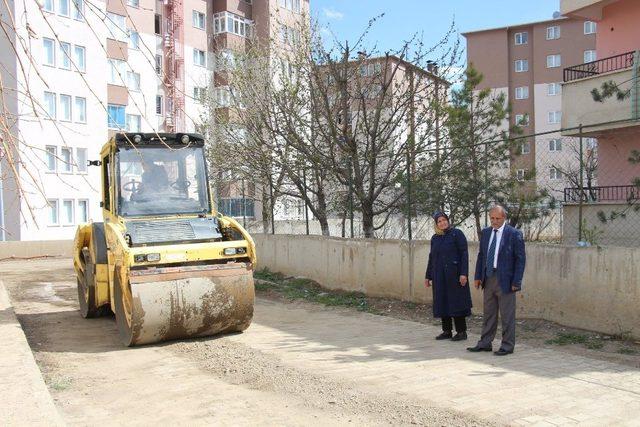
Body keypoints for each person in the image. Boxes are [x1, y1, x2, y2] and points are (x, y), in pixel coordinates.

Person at [467, 205, 526, 356]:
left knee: (507, 315)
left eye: (497, 218)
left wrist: (516, 282)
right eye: (492, 218)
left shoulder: (514, 234)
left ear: (504, 218)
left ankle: (507, 346)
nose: (494, 221)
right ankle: (485, 343)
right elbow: (482, 255)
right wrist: (478, 276)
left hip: (506, 280)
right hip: (488, 278)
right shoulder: (486, 233)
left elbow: (520, 260)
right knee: (489, 313)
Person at [425, 211, 472, 341]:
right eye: (439, 221)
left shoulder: (457, 234)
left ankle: (461, 332)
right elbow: (432, 257)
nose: (442, 223)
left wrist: (463, 273)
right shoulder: (435, 238)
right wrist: (428, 276)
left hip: (455, 274)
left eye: (444, 220)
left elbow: (464, 254)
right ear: (436, 224)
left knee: (456, 302)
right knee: (442, 301)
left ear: (448, 220)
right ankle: (447, 331)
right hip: (439, 275)